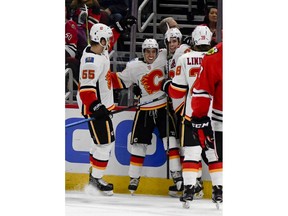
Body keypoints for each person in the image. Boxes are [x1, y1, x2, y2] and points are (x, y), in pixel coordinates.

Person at [110, 38, 183, 194]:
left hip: (163, 107)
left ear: (158, 51)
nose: (151, 54)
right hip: (144, 109)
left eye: (153, 51)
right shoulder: (133, 67)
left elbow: (175, 45)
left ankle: (177, 175)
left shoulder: (164, 57)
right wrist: (99, 77)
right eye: (148, 51)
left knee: (171, 142)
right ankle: (134, 177)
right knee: (138, 145)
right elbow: (117, 81)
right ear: (143, 52)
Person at [162, 26, 222, 207]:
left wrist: (167, 86)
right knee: (214, 154)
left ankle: (189, 190)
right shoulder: (216, 57)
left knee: (191, 152)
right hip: (215, 115)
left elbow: (178, 91)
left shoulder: (185, 58)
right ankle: (219, 190)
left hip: (192, 113)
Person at [76, 23, 115, 196]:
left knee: (99, 143)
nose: (110, 42)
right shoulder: (91, 61)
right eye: (107, 39)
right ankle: (96, 179)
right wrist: (96, 106)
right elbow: (86, 89)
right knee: (105, 144)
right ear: (100, 39)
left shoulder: (99, 52)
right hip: (95, 108)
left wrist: (120, 28)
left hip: (100, 106)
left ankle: (94, 175)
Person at [190, 42, 223, 206]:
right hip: (220, 118)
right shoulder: (215, 56)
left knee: (212, 153)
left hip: (221, 119)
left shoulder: (215, 55)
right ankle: (219, 188)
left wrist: (199, 115)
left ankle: (218, 188)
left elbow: (202, 90)